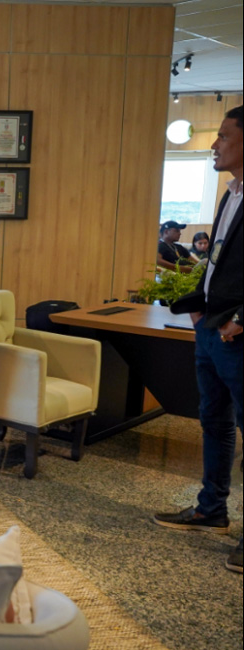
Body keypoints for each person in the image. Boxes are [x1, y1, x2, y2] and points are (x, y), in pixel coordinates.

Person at [157, 105, 244, 574]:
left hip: (237, 334)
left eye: (223, 136)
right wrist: (198, 305)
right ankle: (212, 509)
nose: (214, 145)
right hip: (210, 327)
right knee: (214, 421)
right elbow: (220, 264)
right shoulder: (231, 194)